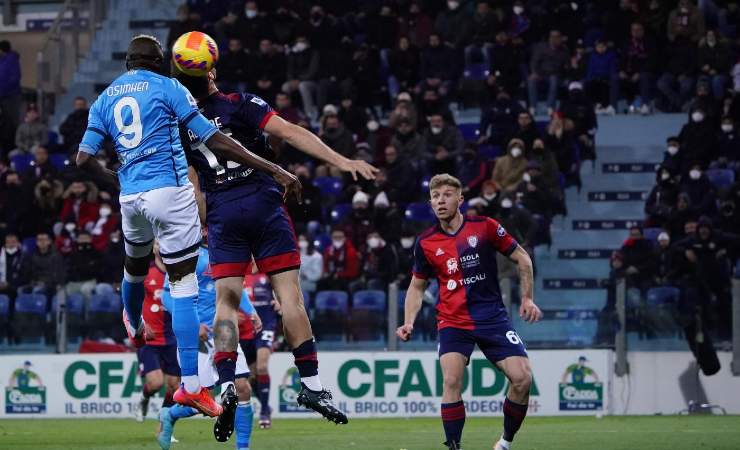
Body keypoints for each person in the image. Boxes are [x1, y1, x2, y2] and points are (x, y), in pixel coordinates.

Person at [75, 34, 298, 417]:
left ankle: (131, 317)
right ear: (160, 61)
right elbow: (213, 138)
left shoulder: (104, 98)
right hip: (170, 191)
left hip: (131, 197)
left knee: (134, 265)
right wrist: (272, 167)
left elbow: (82, 159)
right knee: (183, 283)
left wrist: (116, 179)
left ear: (128, 62)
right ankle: (193, 387)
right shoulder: (169, 87)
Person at [173, 42, 377, 427]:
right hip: (263, 203)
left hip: (222, 212)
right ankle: (313, 385)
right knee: (290, 298)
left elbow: (193, 184)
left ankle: (227, 383)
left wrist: (207, 222)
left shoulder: (184, 124)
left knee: (226, 303)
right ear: (211, 71)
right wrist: (341, 160)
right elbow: (291, 132)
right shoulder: (241, 103)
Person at [397, 174, 541, 450]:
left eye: (447, 194)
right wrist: (408, 322)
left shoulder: (485, 227)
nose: (441, 200)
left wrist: (527, 298)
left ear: (460, 200)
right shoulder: (425, 243)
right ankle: (454, 447)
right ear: (430, 203)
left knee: (522, 379)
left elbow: (522, 257)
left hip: (492, 318)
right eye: (436, 196)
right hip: (453, 321)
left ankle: (505, 442)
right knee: (451, 379)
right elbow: (416, 287)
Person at [158, 240, 260, 450]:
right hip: (198, 337)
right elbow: (167, 297)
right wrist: (194, 327)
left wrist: (252, 312)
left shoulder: (227, 252)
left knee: (242, 388)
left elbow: (232, 291)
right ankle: (170, 414)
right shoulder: (189, 254)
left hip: (223, 330)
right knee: (204, 401)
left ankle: (243, 447)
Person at [122, 243, 179, 425]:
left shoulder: (179, 275)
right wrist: (140, 325)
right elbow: (129, 304)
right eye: (157, 243)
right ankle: (144, 399)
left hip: (172, 338)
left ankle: (165, 426)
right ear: (153, 248)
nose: (162, 246)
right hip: (150, 340)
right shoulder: (144, 273)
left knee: (174, 387)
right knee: (155, 383)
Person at [242, 268, 278, 429]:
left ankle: (264, 412)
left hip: (266, 326)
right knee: (250, 375)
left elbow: (289, 290)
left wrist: (281, 301)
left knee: (262, 366)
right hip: (243, 329)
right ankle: (265, 406)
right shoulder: (237, 273)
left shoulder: (268, 273)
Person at [0, 40, 21, 132]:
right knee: (5, 120)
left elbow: (15, 78)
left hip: (10, 96)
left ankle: (14, 141)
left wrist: (3, 90)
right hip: (3, 95)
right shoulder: (3, 60)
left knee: (12, 120)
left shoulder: (12, 60)